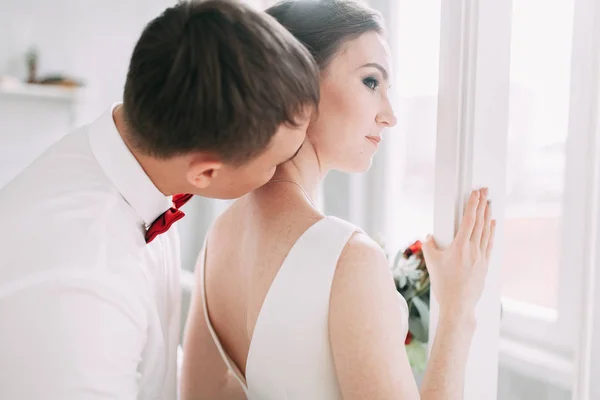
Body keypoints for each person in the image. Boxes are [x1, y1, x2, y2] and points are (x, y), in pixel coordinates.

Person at [0, 1, 319, 399]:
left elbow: (149, 366)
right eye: (278, 160)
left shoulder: (134, 163)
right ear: (205, 173)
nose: (288, 170)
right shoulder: (83, 281)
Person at [181, 1, 496, 399]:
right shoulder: (348, 259)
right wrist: (457, 313)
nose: (390, 115)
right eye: (370, 82)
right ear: (299, 83)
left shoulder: (218, 238)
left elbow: (198, 394)